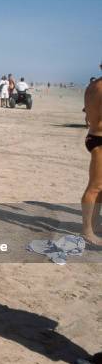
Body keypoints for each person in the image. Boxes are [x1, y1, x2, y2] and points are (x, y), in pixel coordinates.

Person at [81, 68, 102, 245]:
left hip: (93, 135)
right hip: (99, 140)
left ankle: (94, 224)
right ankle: (87, 231)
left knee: (100, 188)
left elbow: (87, 114)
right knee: (95, 187)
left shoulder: (92, 85)